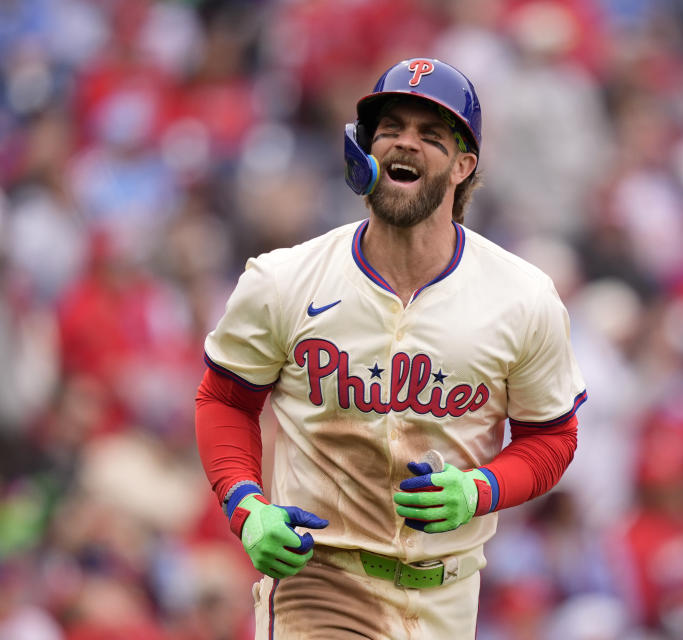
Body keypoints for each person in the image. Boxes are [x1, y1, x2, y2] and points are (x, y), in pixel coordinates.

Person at [194, 57, 586, 639]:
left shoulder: (522, 298)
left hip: (448, 597)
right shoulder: (284, 280)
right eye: (390, 129)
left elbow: (551, 436)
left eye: (431, 135)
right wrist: (247, 505)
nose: (406, 143)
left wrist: (483, 488)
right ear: (364, 150)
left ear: (463, 166)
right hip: (320, 584)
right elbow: (224, 400)